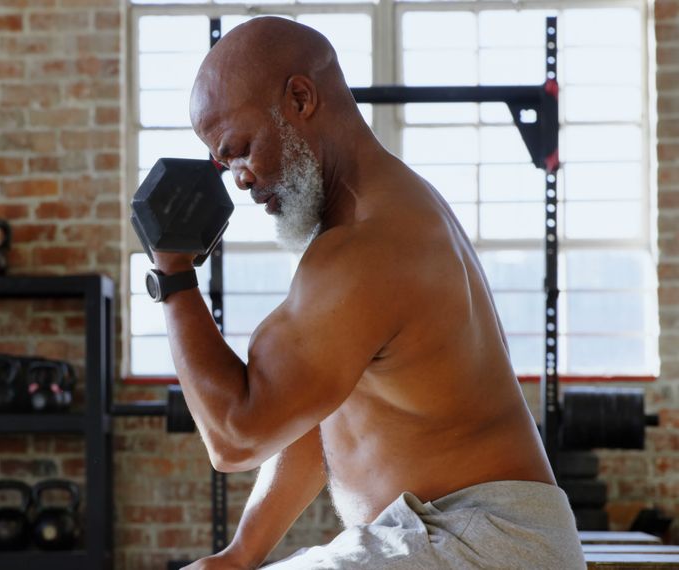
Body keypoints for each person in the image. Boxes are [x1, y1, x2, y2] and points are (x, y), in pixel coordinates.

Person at [147, 17, 584, 569]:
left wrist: (173, 275)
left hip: (481, 540)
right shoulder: (368, 222)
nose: (239, 179)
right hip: (457, 537)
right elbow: (309, 416)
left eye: (240, 149)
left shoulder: (366, 247)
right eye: (224, 162)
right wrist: (241, 555)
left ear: (300, 98)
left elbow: (236, 436)